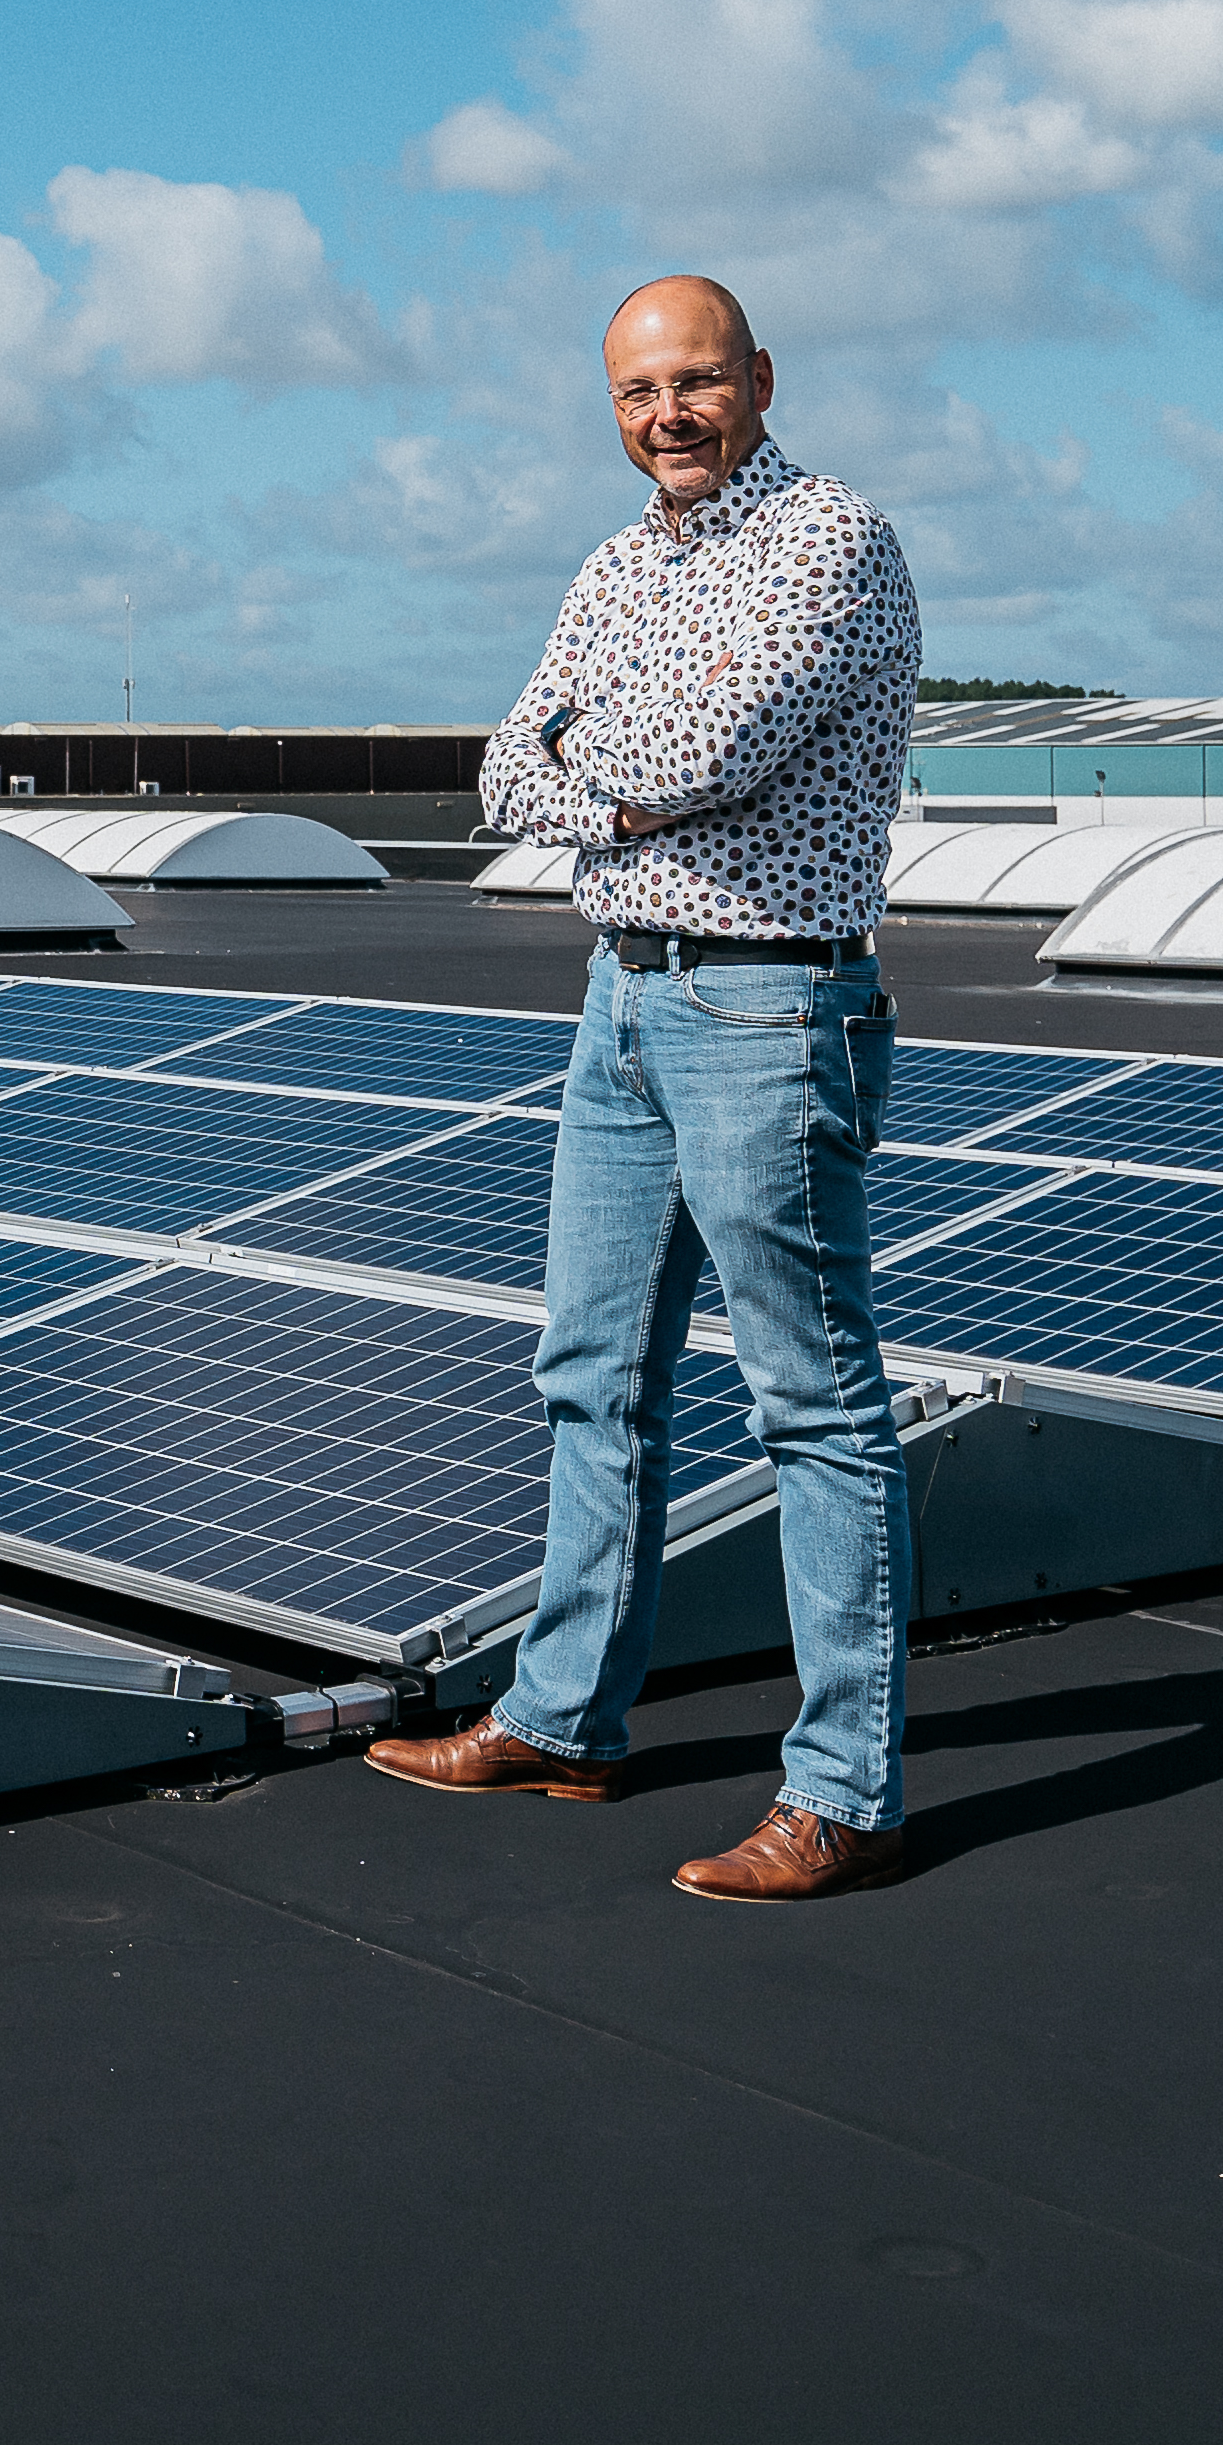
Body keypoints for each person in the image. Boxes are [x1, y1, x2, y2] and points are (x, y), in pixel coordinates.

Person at [367, 274, 924, 1899]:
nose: (665, 417)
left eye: (693, 383)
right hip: (621, 994)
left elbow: (703, 756)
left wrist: (597, 773)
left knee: (812, 1401)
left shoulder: (829, 542)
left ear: (759, 377)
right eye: (633, 395)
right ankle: (563, 1720)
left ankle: (844, 1795)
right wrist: (618, 784)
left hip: (766, 1004)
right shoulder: (620, 561)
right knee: (591, 1372)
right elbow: (500, 771)